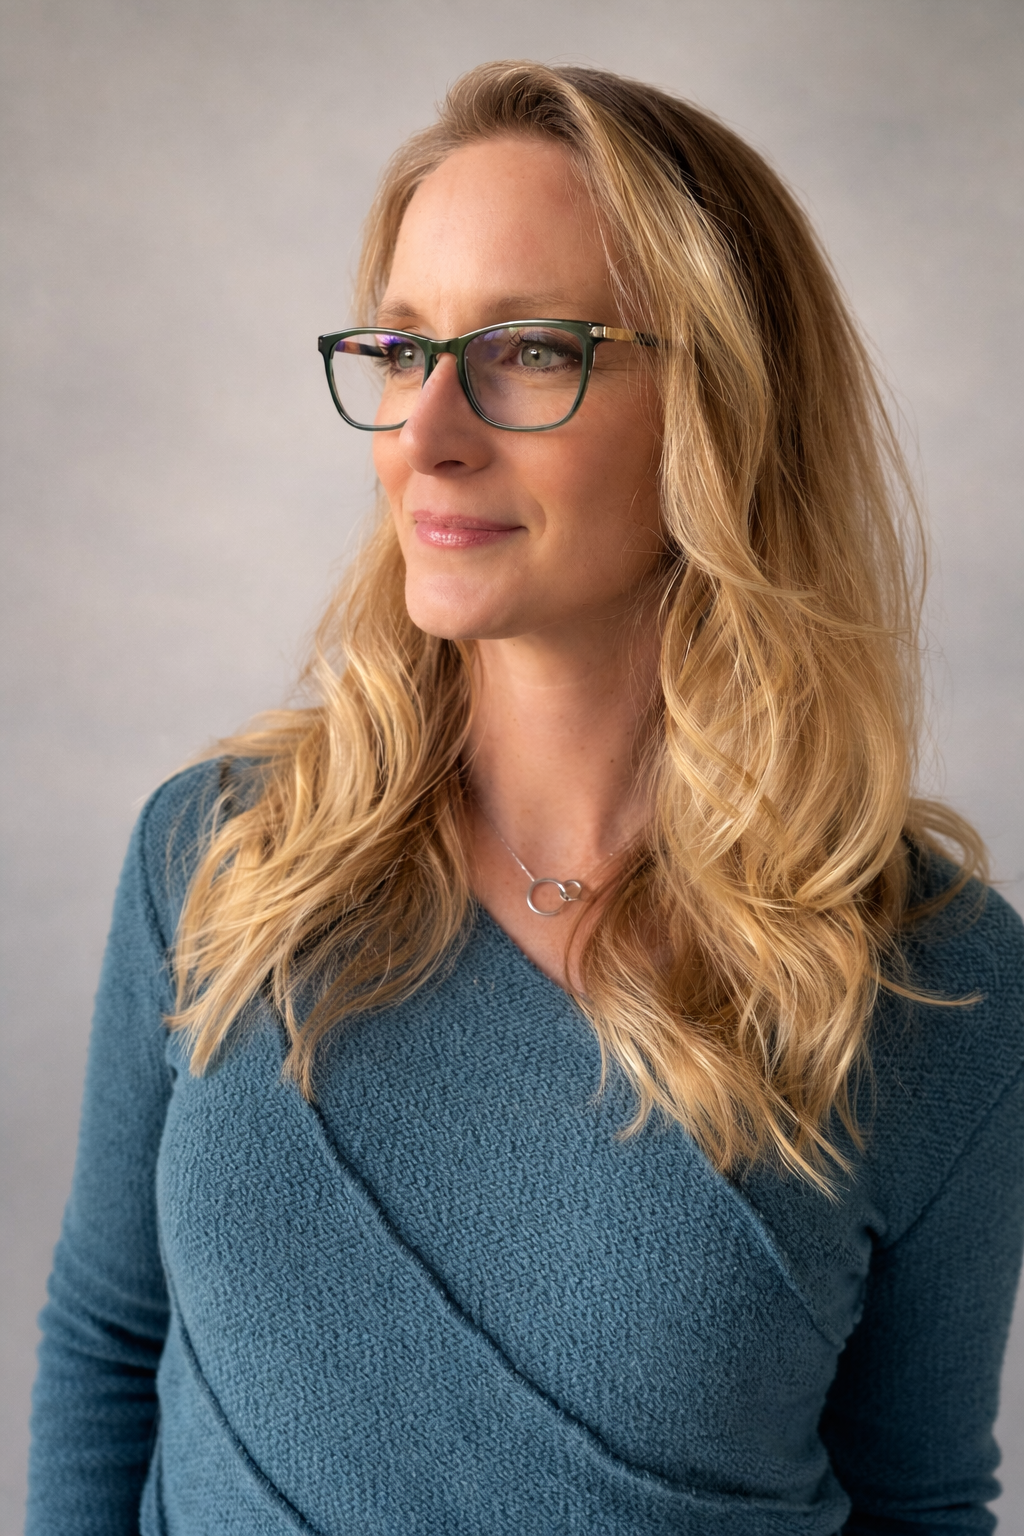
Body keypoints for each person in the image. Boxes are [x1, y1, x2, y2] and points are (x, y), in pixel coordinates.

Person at [26, 60, 1024, 1536]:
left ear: (722, 409)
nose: (424, 433)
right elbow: (106, 1347)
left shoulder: (934, 984)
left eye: (528, 350)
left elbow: (919, 1494)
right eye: (400, 347)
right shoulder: (221, 857)